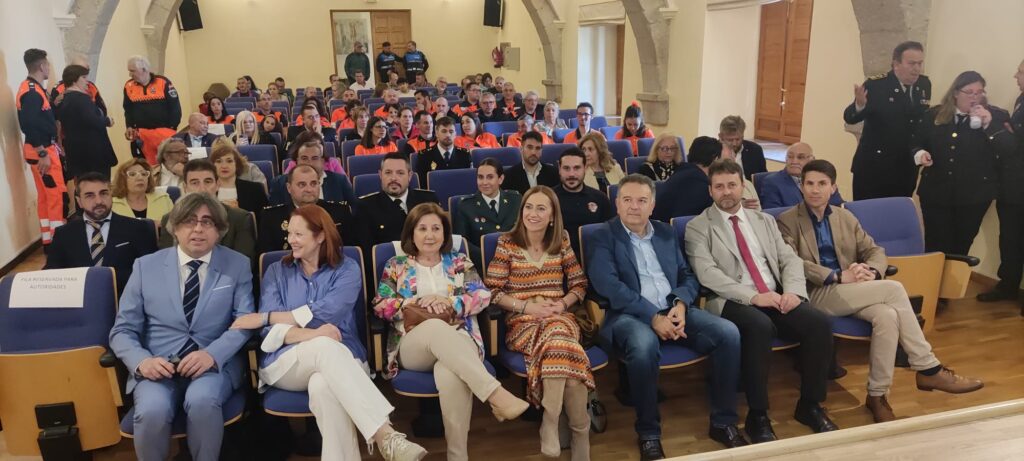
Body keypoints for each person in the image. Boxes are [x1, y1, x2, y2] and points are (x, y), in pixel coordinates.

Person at [777, 159, 984, 423]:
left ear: (833, 187)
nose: (815, 190)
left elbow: (875, 250)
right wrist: (837, 275)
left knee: (887, 316)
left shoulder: (844, 217)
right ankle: (928, 367)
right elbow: (792, 262)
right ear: (801, 187)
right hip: (815, 292)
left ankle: (877, 394)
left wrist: (872, 271)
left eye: (822, 183)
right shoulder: (787, 220)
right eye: (809, 184)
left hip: (851, 290)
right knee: (894, 289)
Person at [230, 206, 427, 461]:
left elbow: (327, 314)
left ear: (321, 236)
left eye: (298, 234)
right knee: (324, 344)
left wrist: (268, 316)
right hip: (287, 361)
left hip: (345, 355)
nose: (291, 240)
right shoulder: (277, 272)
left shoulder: (347, 269)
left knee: (323, 386)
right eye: (289, 234)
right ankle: (385, 435)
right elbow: (271, 332)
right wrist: (311, 334)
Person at [587, 175, 747, 457]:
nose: (634, 207)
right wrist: (653, 316)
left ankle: (724, 422)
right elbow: (608, 286)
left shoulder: (665, 232)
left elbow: (687, 275)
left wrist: (680, 304)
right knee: (644, 345)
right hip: (629, 315)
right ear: (617, 203)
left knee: (728, 333)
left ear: (652, 205)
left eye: (642, 201)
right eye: (627, 200)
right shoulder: (602, 235)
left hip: (674, 308)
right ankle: (648, 432)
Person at [684, 159, 837, 442]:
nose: (726, 192)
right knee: (759, 327)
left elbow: (789, 259)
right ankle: (758, 415)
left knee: (818, 323)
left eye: (732, 185)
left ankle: (810, 405)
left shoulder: (763, 220)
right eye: (719, 186)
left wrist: (793, 292)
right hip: (731, 299)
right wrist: (754, 296)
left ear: (743, 186)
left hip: (775, 294)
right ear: (710, 191)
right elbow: (708, 274)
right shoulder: (698, 227)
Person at [373, 203, 529, 461]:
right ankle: (495, 394)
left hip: (460, 338)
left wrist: (449, 302)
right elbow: (381, 305)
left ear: (445, 233)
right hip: (414, 345)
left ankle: (458, 455)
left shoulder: (459, 262)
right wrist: (419, 303)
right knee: (435, 326)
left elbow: (482, 296)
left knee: (449, 372)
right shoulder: (396, 265)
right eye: (422, 229)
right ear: (411, 233)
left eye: (436, 228)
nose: (429, 235)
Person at [109, 193, 254, 461]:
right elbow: (122, 330)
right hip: (158, 366)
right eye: (189, 221)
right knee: (152, 410)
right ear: (174, 228)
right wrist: (142, 362)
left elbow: (244, 322)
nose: (198, 229)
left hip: (212, 365)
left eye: (207, 222)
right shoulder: (145, 267)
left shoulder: (237, 264)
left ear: (219, 231)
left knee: (202, 401)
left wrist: (212, 354)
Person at [484, 186, 593, 459]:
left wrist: (562, 304)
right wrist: (527, 307)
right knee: (567, 357)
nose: (533, 213)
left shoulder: (562, 241)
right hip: (522, 322)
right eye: (528, 207)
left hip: (560, 317)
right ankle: (579, 433)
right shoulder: (507, 243)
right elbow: (492, 291)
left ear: (552, 216)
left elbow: (579, 284)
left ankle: (551, 421)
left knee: (558, 335)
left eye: (541, 208)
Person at [913, 71, 1015, 256]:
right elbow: (915, 142)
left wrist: (989, 124)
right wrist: (920, 154)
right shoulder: (935, 115)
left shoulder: (996, 116)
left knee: (961, 247)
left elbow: (1009, 150)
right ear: (955, 93)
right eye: (969, 92)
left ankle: (956, 276)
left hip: (973, 197)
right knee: (935, 246)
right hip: (936, 194)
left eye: (979, 92)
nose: (975, 97)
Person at [46, 172, 159, 294]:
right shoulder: (64, 234)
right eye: (90, 196)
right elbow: (53, 275)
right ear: (79, 201)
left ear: (111, 195)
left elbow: (151, 272)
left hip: (126, 300)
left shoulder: (138, 228)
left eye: (104, 193)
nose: (99, 201)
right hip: (80, 301)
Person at [844, 41, 931, 200]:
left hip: (905, 168)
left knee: (898, 212)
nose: (917, 68)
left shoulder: (924, 85)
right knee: (868, 213)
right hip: (874, 169)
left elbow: (920, 123)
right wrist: (860, 105)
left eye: (920, 63)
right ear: (896, 64)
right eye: (911, 63)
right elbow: (850, 117)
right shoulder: (876, 86)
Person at [979, 59, 1024, 303]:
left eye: (1020, 72)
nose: (1015, 76)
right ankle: (1008, 285)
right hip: (1011, 185)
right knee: (1009, 238)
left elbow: (1014, 144)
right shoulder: (1021, 100)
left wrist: (999, 130)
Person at [158, 159, 256, 261]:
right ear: (185, 188)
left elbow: (242, 263)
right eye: (195, 183)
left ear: (217, 185)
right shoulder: (170, 219)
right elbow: (167, 261)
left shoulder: (240, 218)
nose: (202, 189)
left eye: (208, 182)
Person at [17, 48, 67, 245]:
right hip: (42, 151)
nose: (49, 68)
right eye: (48, 65)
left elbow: (39, 118)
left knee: (46, 196)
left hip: (40, 149)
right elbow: (28, 123)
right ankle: (58, 242)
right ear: (42, 66)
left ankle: (48, 240)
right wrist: (42, 152)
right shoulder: (32, 92)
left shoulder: (34, 89)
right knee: (55, 196)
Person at [653, 137, 760, 222]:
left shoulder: (684, 171)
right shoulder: (698, 183)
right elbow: (716, 214)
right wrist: (737, 206)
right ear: (715, 159)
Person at [258, 165, 358, 254]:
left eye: (313, 184)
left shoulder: (340, 212)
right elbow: (267, 259)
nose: (309, 190)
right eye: (302, 185)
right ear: (289, 188)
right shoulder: (271, 217)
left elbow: (350, 253)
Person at [355, 153, 440, 251]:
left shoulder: (428, 200)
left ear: (409, 176)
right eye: (388, 172)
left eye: (400, 173)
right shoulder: (365, 206)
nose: (393, 178)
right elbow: (367, 251)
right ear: (380, 175)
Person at [453, 158, 522, 267]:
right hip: (482, 263)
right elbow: (462, 242)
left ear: (500, 179)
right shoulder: (465, 206)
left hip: (517, 261)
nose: (484, 182)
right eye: (480, 177)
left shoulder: (516, 200)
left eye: (490, 177)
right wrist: (488, 256)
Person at [56, 64, 117, 181]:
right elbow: (92, 119)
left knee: (83, 183)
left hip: (75, 152)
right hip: (93, 154)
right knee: (100, 183)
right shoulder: (81, 98)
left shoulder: (63, 99)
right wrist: (107, 121)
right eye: (83, 77)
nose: (86, 82)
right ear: (74, 80)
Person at [124, 55, 182, 165]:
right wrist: (129, 127)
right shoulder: (129, 85)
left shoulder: (163, 82)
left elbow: (175, 108)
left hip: (164, 135)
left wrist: (170, 129)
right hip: (141, 136)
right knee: (144, 165)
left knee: (168, 164)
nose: (130, 74)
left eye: (132, 71)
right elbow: (128, 110)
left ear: (144, 69)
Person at [554, 147, 612, 256]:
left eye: (577, 168)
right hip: (558, 258)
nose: (571, 174)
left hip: (596, 257)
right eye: (566, 168)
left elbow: (610, 236)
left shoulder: (601, 199)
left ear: (585, 168)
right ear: (559, 169)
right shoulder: (548, 199)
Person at [270, 131, 355, 205]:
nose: (309, 163)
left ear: (322, 161)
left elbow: (353, 211)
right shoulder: (279, 184)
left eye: (314, 158)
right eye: (304, 158)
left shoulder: (340, 181)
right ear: (297, 161)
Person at [759, 142, 843, 210]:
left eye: (800, 157)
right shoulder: (772, 182)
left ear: (812, 160)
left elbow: (839, 205)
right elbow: (773, 214)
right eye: (790, 157)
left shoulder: (823, 178)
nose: (794, 161)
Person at [209, 138, 267, 214]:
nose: (224, 166)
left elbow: (265, 218)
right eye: (219, 161)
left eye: (229, 161)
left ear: (237, 164)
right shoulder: (205, 190)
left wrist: (239, 213)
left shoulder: (255, 189)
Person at [416, 116, 472, 185]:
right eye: (444, 131)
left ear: (455, 134)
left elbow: (468, 182)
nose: (448, 135)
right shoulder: (424, 156)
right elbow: (422, 185)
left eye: (451, 131)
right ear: (437, 133)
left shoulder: (464, 155)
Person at [718, 115, 766, 180]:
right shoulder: (713, 151)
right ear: (721, 137)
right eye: (730, 140)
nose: (734, 144)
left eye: (738, 139)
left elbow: (763, 178)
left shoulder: (755, 150)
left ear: (743, 136)